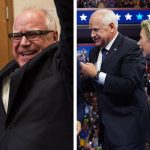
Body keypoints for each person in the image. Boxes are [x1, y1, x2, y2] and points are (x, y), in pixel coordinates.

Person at [0, 0, 73, 150]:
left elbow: (69, 19)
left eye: (33, 34)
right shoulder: (5, 73)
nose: (24, 42)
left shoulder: (62, 66)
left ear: (54, 37)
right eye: (17, 36)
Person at [80, 8, 149, 150]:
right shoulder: (94, 51)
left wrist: (96, 74)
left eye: (96, 30)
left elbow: (128, 85)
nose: (92, 35)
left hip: (128, 131)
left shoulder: (131, 47)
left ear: (112, 27)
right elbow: (96, 85)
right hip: (106, 131)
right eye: (90, 30)